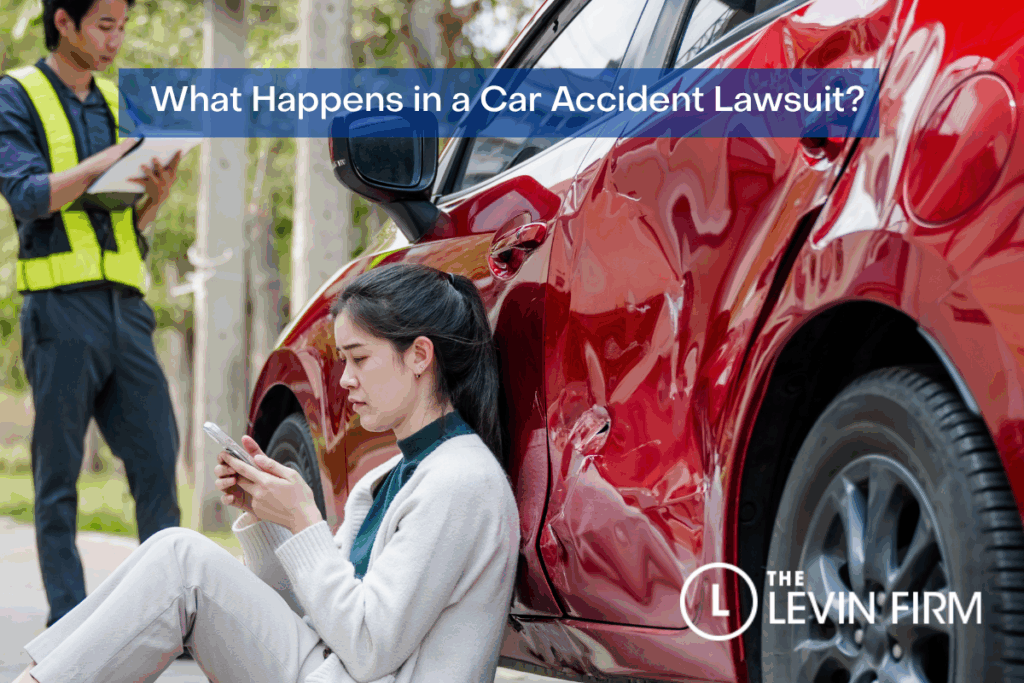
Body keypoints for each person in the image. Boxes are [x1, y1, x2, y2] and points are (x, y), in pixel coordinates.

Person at [12, 263, 521, 683]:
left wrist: (305, 524)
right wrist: (269, 520)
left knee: (180, 559)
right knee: (175, 557)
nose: (345, 379)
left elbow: (367, 648)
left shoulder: (461, 481)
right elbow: (314, 614)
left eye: (359, 359)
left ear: (419, 356)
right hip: (326, 669)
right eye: (343, 359)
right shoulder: (394, 473)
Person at [0, 0, 184, 626]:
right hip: (58, 313)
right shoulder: (16, 94)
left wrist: (152, 196)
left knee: (159, 461)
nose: (116, 40)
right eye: (105, 26)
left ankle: (167, 614)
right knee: (59, 481)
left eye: (122, 27)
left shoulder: (115, 102)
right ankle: (71, 625)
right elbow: (26, 196)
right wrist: (104, 162)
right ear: (64, 22)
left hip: (127, 312)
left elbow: (121, 217)